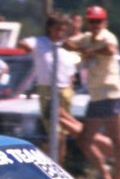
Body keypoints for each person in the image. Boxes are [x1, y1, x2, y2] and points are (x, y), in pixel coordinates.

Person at [65, 5, 120, 179]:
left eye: (98, 21)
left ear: (104, 22)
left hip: (110, 94)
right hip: (95, 97)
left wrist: (90, 51)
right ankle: (105, 174)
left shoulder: (107, 36)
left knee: (116, 139)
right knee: (84, 139)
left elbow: (110, 50)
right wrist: (79, 45)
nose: (95, 25)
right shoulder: (86, 38)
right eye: (92, 21)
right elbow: (67, 43)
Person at [25, 13, 83, 160]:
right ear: (50, 28)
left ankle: (59, 163)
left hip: (65, 90)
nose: (60, 33)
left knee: (63, 133)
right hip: (48, 90)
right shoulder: (40, 42)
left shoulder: (67, 46)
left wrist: (70, 89)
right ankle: (51, 160)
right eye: (57, 29)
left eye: (63, 30)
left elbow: (72, 71)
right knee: (54, 130)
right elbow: (24, 44)